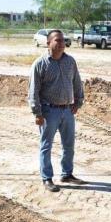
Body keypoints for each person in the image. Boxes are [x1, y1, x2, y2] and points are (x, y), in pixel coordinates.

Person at [28, 30, 86, 192]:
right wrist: (37, 113)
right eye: (57, 41)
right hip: (48, 111)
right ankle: (47, 178)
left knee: (69, 145)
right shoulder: (40, 64)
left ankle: (67, 174)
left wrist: (78, 102)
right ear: (48, 43)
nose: (61, 44)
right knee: (46, 146)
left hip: (67, 111)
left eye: (63, 41)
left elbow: (77, 83)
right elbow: (33, 91)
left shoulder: (70, 62)